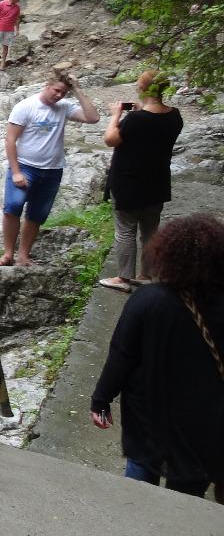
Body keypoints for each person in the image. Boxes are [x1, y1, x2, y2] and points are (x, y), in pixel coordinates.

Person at [90, 213, 224, 498]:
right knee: (188, 496)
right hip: (205, 422)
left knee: (139, 489)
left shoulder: (148, 301)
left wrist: (101, 399)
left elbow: (121, 357)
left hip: (148, 414)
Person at [0, 68, 101, 266]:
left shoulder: (64, 106)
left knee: (37, 214)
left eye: (63, 93)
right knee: (13, 207)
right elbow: (10, 140)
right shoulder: (26, 106)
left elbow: (93, 118)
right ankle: (8, 253)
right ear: (47, 85)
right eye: (56, 90)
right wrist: (16, 171)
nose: (59, 95)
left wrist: (76, 88)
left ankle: (23, 255)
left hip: (52, 170)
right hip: (26, 166)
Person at [98, 70, 184, 293]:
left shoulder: (135, 119)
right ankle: (146, 274)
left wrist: (116, 115)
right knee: (150, 230)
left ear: (143, 88)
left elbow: (110, 139)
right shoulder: (175, 115)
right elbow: (152, 131)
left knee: (125, 230)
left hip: (129, 183)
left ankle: (124, 278)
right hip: (157, 182)